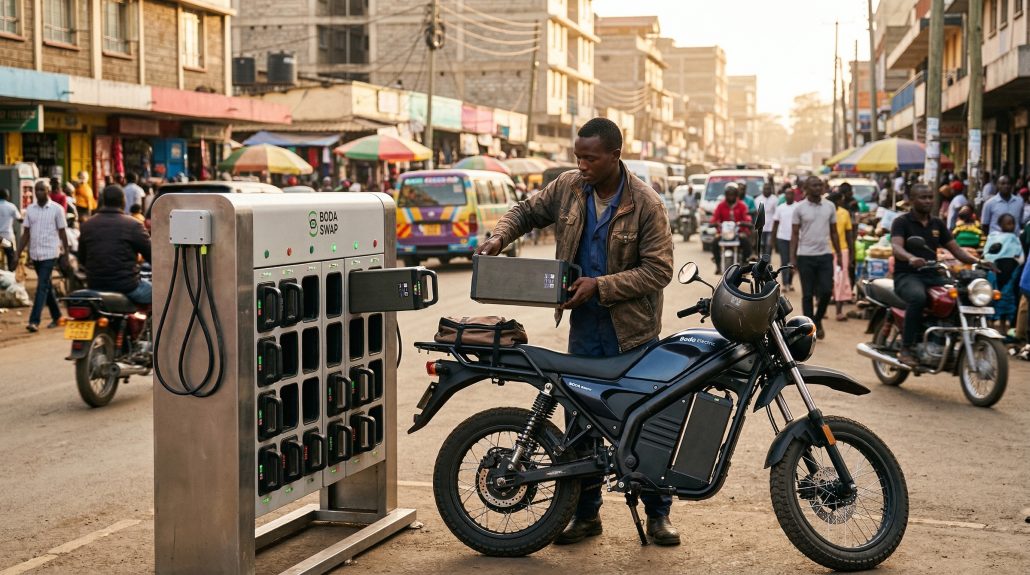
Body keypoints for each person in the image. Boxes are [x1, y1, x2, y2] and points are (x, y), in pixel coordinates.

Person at [475, 117, 679, 546]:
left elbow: (659, 271)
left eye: (591, 158)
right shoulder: (568, 187)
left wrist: (600, 286)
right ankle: (586, 516)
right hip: (585, 329)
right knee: (580, 425)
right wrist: (499, 239)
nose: (582, 164)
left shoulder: (646, 204)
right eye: (578, 157)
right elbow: (527, 211)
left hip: (635, 335)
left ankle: (658, 515)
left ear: (615, 156)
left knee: (642, 422)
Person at [891, 184, 982, 366]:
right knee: (918, 298)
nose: (928, 201)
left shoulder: (937, 223)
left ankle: (946, 340)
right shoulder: (902, 222)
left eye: (930, 197)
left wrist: (979, 262)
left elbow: (956, 250)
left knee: (960, 296)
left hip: (932, 275)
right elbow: (896, 247)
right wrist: (910, 258)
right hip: (907, 275)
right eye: (923, 197)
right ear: (912, 200)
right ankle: (906, 348)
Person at [78, 185, 153, 304]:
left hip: (94, 286)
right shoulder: (134, 225)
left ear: (103, 202)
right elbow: (153, 256)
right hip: (127, 287)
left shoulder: (87, 225)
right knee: (160, 293)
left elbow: (82, 259)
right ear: (123, 202)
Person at [790, 176, 840, 339]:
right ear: (806, 188)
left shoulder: (830, 206)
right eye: (815, 185)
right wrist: (793, 258)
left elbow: (834, 231)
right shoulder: (799, 208)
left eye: (820, 185)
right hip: (805, 256)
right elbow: (795, 234)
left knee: (826, 291)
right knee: (807, 294)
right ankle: (809, 327)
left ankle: (817, 320)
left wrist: (838, 253)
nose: (818, 188)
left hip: (825, 254)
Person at [16, 180, 70, 332]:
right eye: (36, 190)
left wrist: (65, 253)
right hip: (36, 254)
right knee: (46, 286)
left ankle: (34, 321)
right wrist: (17, 254)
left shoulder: (57, 209)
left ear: (48, 191)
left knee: (41, 286)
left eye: (42, 190)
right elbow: (25, 234)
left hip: (50, 253)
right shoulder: (30, 210)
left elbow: (63, 232)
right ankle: (57, 315)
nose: (38, 193)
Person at [983, 213, 1024, 333]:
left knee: (1008, 296)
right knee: (994, 295)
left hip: (1011, 272)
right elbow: (988, 254)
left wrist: (1016, 263)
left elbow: (1020, 257)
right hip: (996, 271)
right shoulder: (993, 237)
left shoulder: (1015, 239)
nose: (1011, 226)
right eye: (1008, 223)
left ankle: (1006, 323)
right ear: (1000, 224)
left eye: (1012, 223)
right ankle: (993, 321)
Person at [710, 182, 752, 274]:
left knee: (745, 241)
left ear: (736, 195)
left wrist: (745, 222)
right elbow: (715, 217)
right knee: (714, 242)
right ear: (726, 195)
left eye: (733, 195)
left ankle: (745, 262)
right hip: (723, 233)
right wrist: (714, 223)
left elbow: (747, 217)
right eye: (729, 195)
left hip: (738, 232)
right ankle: (718, 265)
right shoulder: (721, 205)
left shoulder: (742, 205)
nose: (731, 197)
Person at [828, 192, 854, 321]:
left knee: (841, 279)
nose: (843, 202)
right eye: (841, 200)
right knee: (828, 280)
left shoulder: (845, 213)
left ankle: (839, 311)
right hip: (826, 250)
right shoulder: (826, 212)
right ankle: (823, 310)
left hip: (842, 250)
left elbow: (849, 234)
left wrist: (851, 252)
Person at [771, 186, 796, 291]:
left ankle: (790, 282)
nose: (788, 196)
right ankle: (785, 283)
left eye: (791, 194)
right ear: (784, 195)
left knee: (793, 262)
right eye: (787, 194)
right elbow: (775, 224)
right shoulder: (780, 208)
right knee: (784, 261)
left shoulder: (798, 207)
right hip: (782, 238)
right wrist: (773, 240)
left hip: (794, 239)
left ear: (794, 195)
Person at [753, 182, 777, 258]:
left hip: (771, 226)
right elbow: (756, 213)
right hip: (760, 226)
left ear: (771, 190)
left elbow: (777, 213)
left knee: (769, 245)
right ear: (762, 190)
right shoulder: (757, 199)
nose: (767, 190)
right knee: (761, 244)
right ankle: (761, 261)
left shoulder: (775, 199)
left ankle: (767, 261)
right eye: (765, 189)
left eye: (768, 189)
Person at [0, 188, 21, 272]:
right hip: (7, 237)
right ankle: (11, 275)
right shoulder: (11, 206)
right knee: (11, 257)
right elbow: (20, 219)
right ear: (7, 196)